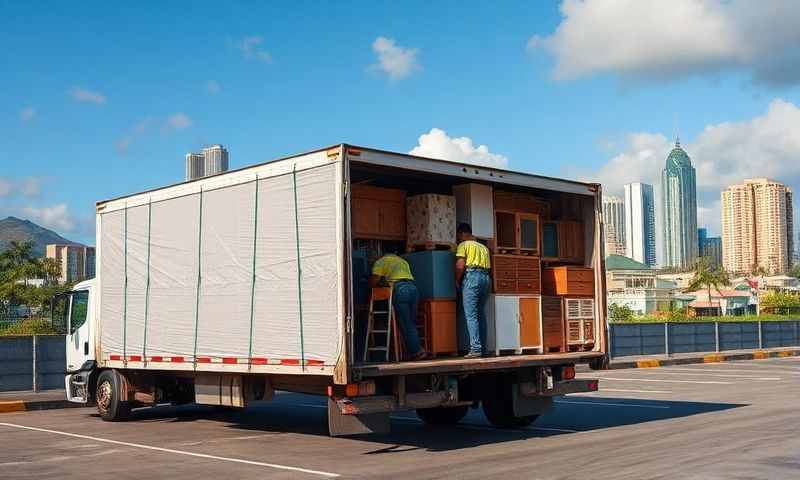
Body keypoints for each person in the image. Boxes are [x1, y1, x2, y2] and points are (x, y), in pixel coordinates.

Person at [369, 249, 430, 361]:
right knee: (411, 322)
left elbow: (374, 281)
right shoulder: (402, 261)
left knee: (406, 323)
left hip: (400, 290)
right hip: (413, 289)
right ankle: (413, 351)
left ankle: (417, 351)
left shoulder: (381, 261)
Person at [455, 223, 491, 358]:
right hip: (486, 279)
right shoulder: (484, 248)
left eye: (458, 235)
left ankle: (475, 349)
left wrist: (457, 280)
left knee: (471, 315)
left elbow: (460, 265)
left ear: (462, 234)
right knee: (480, 314)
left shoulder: (463, 245)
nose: (458, 238)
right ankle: (484, 349)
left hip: (472, 277)